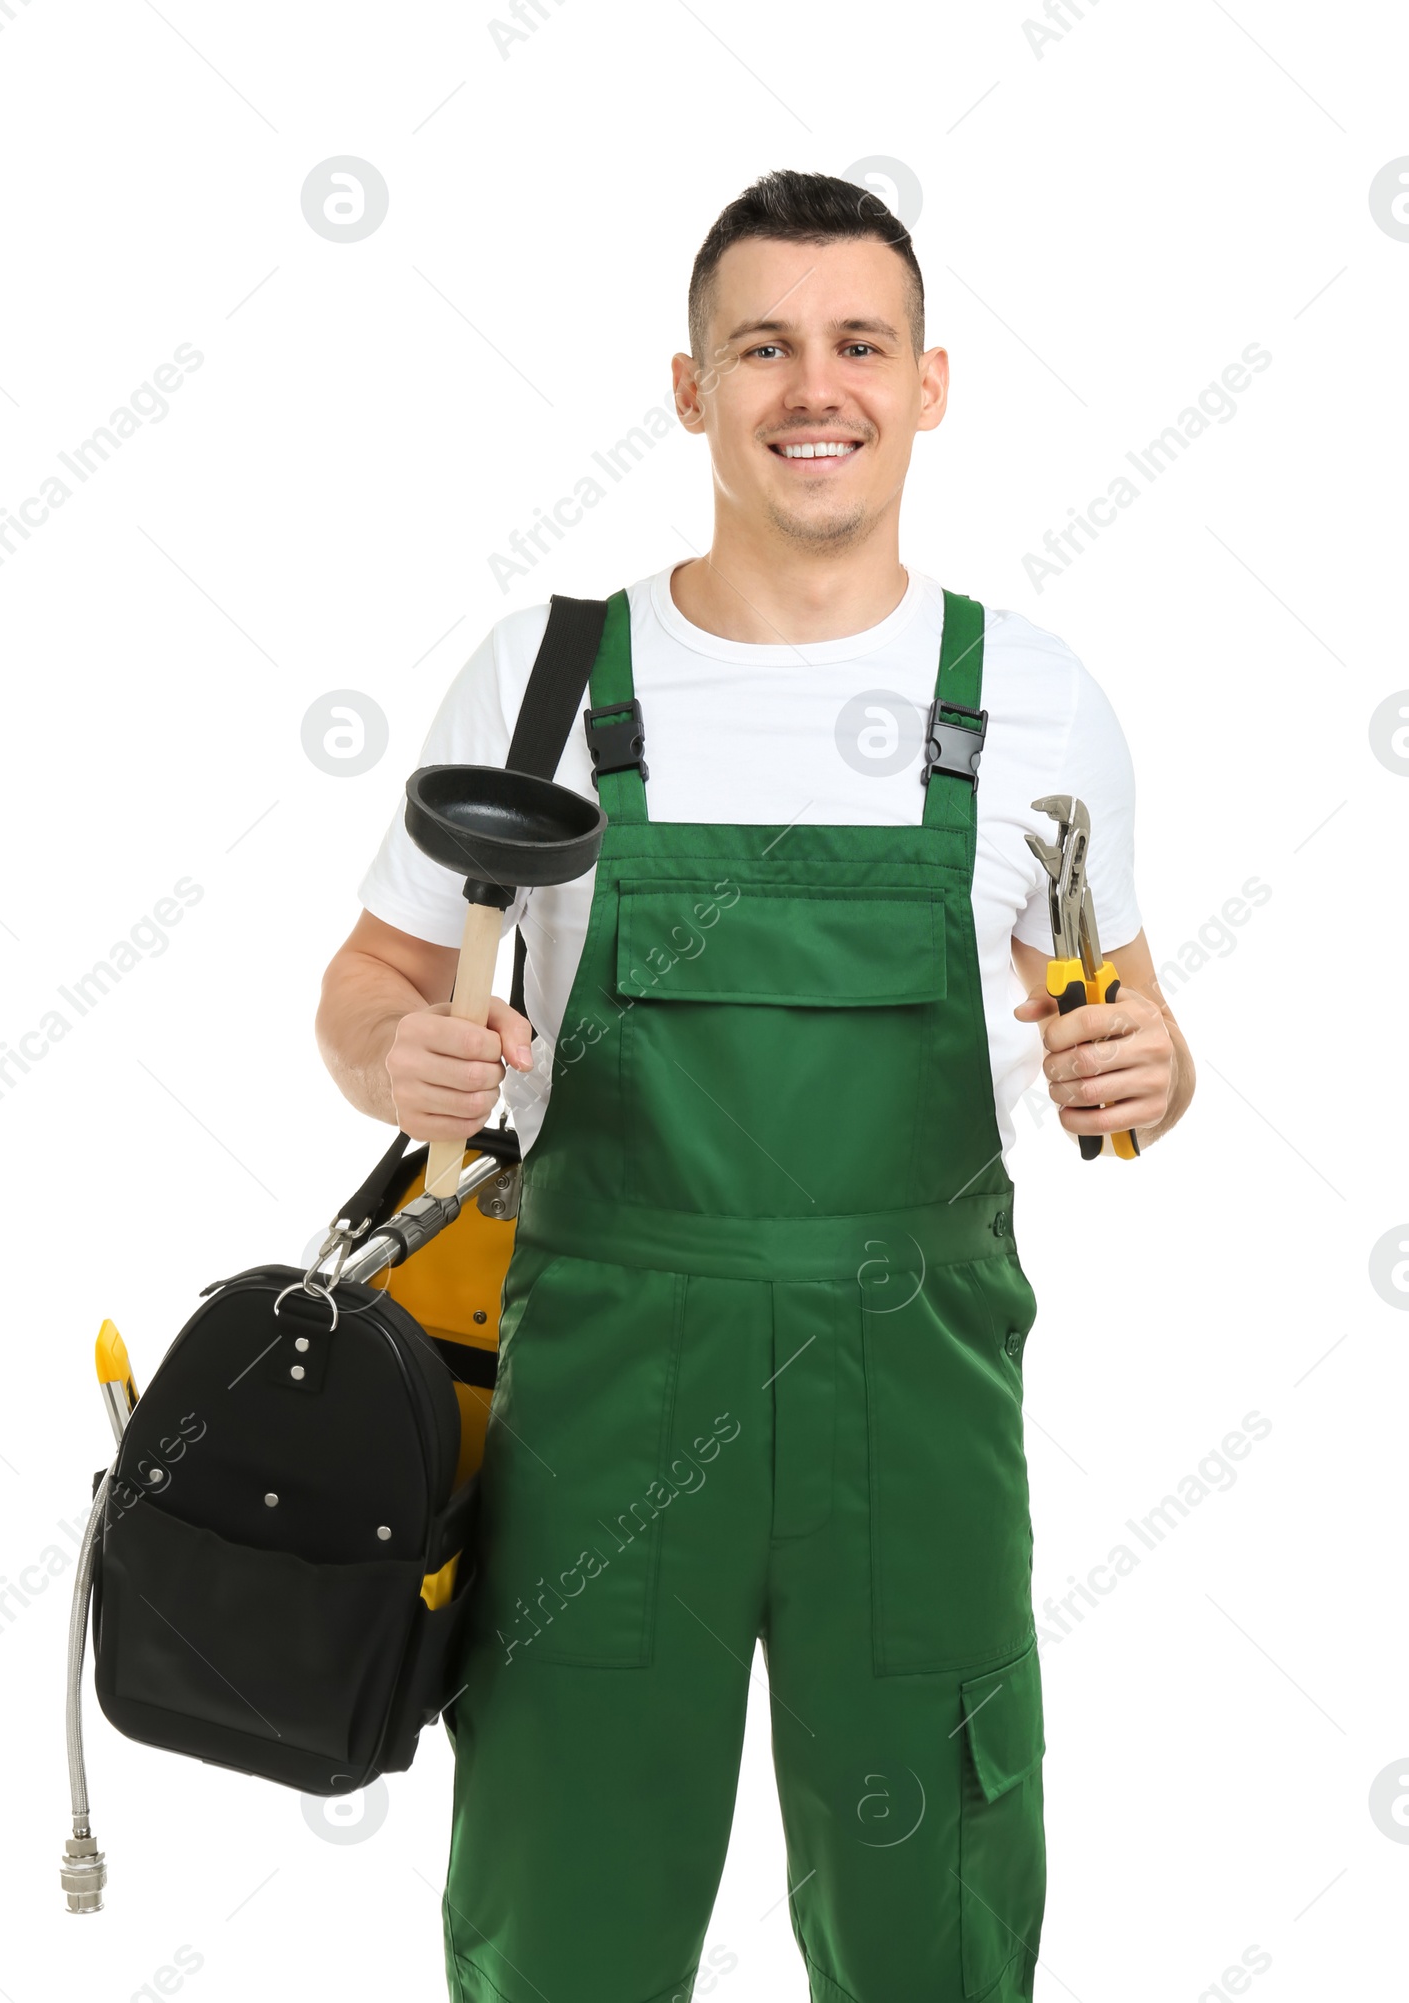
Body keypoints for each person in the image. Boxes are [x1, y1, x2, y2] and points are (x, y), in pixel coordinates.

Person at [316, 168, 1194, 2003]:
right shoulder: (550, 680)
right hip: (607, 1399)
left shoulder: (1033, 703)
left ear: (927, 384)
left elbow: (1108, 1031)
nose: (817, 386)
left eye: (859, 344)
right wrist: (395, 1052)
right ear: (692, 386)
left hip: (920, 1403)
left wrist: (1158, 1063)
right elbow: (375, 983)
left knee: (934, 1916)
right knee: (564, 1908)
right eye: (765, 346)